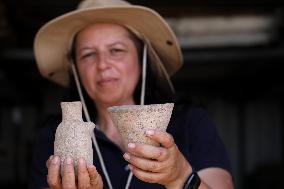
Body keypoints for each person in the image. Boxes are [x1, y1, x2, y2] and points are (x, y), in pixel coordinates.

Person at [29, 0, 234, 189]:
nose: (102, 64)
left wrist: (180, 176)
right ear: (75, 68)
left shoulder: (189, 122)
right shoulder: (53, 137)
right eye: (88, 54)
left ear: (142, 59)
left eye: (116, 50)